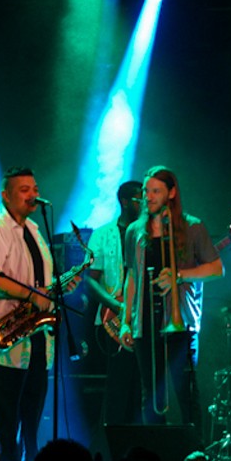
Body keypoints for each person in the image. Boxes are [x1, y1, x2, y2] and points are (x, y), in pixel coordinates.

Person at [0, 167, 74, 461]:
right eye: (24, 189)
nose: (33, 194)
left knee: (32, 412)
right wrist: (31, 296)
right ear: (6, 195)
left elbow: (38, 282)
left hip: (34, 335)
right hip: (2, 338)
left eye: (35, 188)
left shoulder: (35, 231)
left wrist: (56, 290)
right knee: (6, 417)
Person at [120, 166, 223, 426]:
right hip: (146, 323)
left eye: (156, 191)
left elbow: (216, 269)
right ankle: (155, 459)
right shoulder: (134, 231)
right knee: (151, 396)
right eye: (146, 191)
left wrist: (179, 276)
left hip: (181, 323)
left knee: (186, 393)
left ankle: (195, 457)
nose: (149, 197)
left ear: (172, 193)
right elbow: (132, 277)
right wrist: (125, 320)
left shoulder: (193, 227)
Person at [85, 180, 143, 427]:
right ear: (126, 201)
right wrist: (116, 305)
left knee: (141, 387)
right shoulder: (102, 234)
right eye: (140, 198)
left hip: (144, 319)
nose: (145, 203)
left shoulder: (147, 234)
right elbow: (90, 279)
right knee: (118, 383)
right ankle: (113, 439)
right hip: (113, 319)